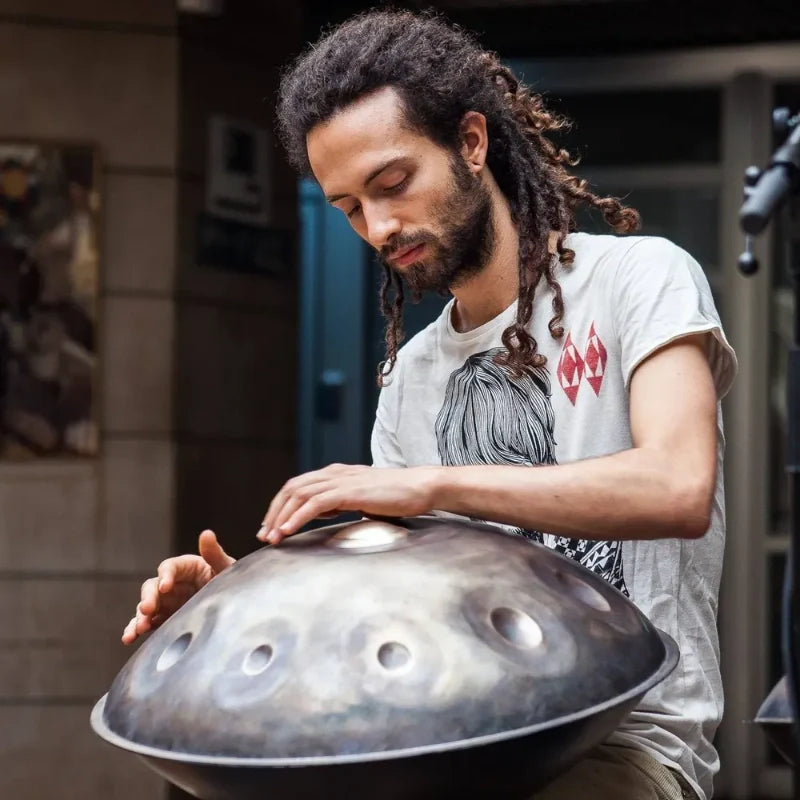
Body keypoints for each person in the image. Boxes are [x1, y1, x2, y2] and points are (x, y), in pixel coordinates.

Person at [121, 9, 737, 800]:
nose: (378, 227)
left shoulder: (639, 280)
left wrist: (428, 486)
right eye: (348, 208)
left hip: (625, 746)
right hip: (465, 749)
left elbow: (678, 487)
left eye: (392, 183)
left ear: (470, 143)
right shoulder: (411, 378)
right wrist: (239, 608)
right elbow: (396, 615)